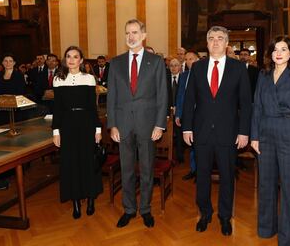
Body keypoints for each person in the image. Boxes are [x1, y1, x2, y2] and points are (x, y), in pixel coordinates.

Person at [182, 26, 252, 236]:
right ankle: (205, 213)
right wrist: (186, 127)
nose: (215, 42)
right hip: (201, 131)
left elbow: (246, 104)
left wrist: (244, 131)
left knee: (227, 176)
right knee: (201, 175)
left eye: (220, 39)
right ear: (207, 42)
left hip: (228, 133)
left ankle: (224, 216)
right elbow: (189, 101)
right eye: (211, 38)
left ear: (227, 43)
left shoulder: (238, 68)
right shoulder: (197, 67)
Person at [107, 19, 168, 229]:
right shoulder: (115, 63)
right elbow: (111, 97)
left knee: (147, 169)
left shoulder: (156, 62)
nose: (130, 37)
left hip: (148, 124)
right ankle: (129, 209)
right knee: (126, 169)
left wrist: (160, 125)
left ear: (143, 35)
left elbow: (162, 95)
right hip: (122, 125)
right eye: (127, 33)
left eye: (134, 32)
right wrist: (112, 125)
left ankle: (146, 209)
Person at [251, 36, 290, 246]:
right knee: (265, 185)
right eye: (275, 49)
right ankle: (267, 228)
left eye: (284, 49)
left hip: (289, 134)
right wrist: (254, 136)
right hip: (265, 134)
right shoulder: (263, 75)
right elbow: (256, 106)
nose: (279, 53)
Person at [52, 46, 102, 219]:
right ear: (65, 59)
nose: (71, 59)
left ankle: (90, 200)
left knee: (87, 161)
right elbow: (57, 108)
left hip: (86, 124)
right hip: (66, 125)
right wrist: (56, 131)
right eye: (68, 56)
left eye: (75, 57)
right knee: (70, 163)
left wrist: (98, 129)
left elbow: (92, 107)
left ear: (81, 60)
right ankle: (75, 202)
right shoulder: (58, 80)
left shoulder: (89, 79)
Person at [175, 51, 199, 180]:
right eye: (187, 59)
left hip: (201, 116)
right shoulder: (183, 76)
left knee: (199, 144)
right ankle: (193, 170)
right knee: (191, 144)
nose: (189, 62)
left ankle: (201, 172)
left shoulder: (204, 74)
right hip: (187, 116)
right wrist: (178, 114)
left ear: (198, 60)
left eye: (192, 59)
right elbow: (179, 96)